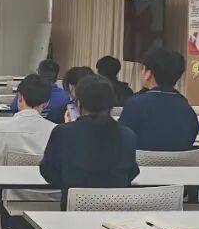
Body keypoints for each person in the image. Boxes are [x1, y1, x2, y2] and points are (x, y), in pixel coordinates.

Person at [0, 74, 59, 229]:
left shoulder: (0, 129)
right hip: (53, 204)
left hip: (12, 203)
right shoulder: (58, 131)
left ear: (19, 97)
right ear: (46, 103)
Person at [40, 74, 140, 208]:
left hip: (73, 212)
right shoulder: (127, 135)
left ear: (78, 103)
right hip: (116, 212)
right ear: (111, 104)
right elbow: (131, 172)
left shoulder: (63, 132)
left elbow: (48, 171)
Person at [118, 48, 199, 152]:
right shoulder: (186, 108)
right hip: (180, 162)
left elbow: (120, 139)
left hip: (141, 162)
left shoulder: (135, 104)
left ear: (148, 73)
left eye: (142, 69)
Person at [11, 59, 71, 124]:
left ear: (38, 73)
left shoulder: (26, 90)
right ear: (57, 77)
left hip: (25, 125)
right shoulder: (65, 96)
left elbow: (13, 107)